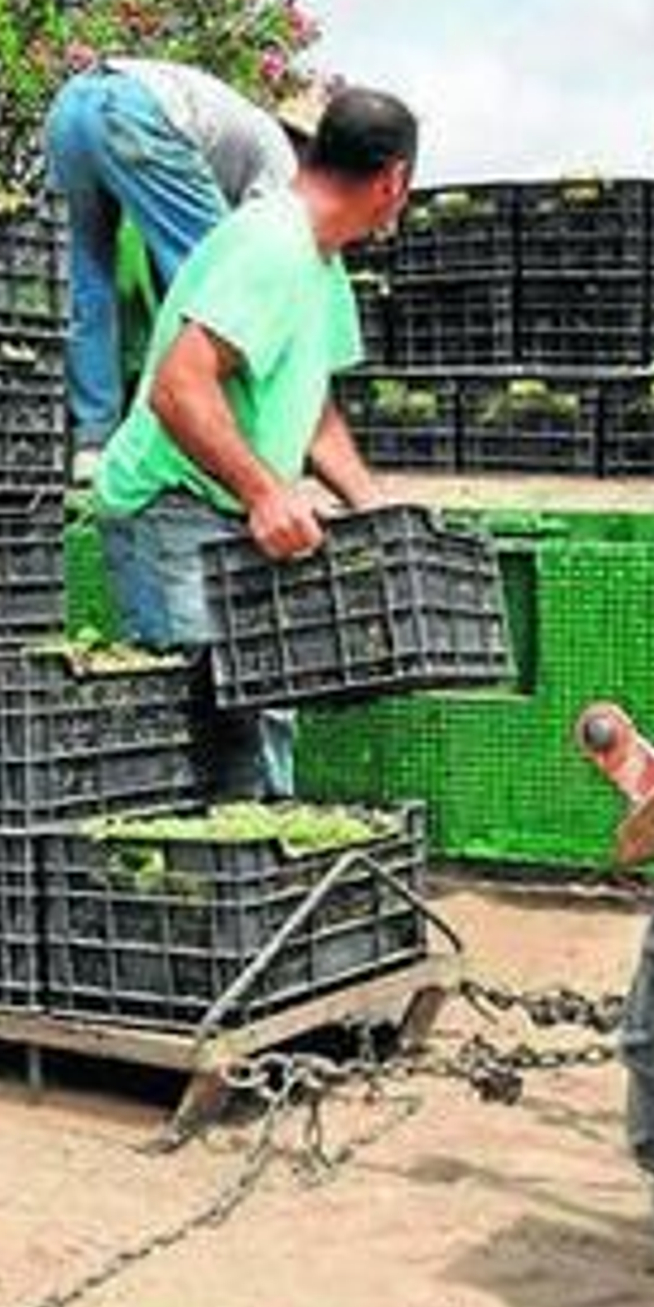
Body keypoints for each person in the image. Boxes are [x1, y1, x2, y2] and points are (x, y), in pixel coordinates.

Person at [94, 85, 418, 800]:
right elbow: (179, 387)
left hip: (223, 510)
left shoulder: (323, 262)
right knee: (200, 742)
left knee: (260, 711)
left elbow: (312, 405)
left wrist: (373, 505)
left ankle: (253, 890)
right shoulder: (271, 243)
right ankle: (199, 902)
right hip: (169, 510)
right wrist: (266, 490)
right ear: (393, 181)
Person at [43, 57, 325, 482]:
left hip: (68, 109)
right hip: (135, 111)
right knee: (219, 289)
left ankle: (92, 443)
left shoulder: (238, 125)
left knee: (87, 282)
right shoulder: (279, 154)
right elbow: (263, 250)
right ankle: (219, 438)